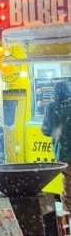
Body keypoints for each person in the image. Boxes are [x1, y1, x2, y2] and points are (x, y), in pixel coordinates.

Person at [41, 80, 71, 211]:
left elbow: (46, 130)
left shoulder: (52, 107)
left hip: (64, 154)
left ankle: (69, 218)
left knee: (69, 187)